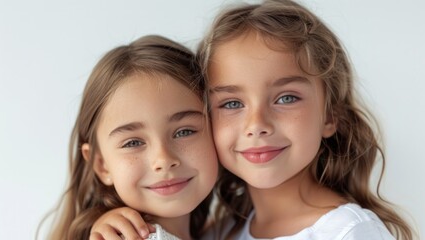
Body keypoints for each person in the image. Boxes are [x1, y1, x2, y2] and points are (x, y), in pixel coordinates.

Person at [90, 0, 415, 239]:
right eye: (232, 103)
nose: (257, 123)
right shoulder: (223, 232)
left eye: (286, 98)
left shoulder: (348, 233)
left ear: (330, 115)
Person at [39, 35, 219, 240]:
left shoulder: (222, 229)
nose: (164, 160)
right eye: (133, 143)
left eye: (184, 132)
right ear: (101, 164)